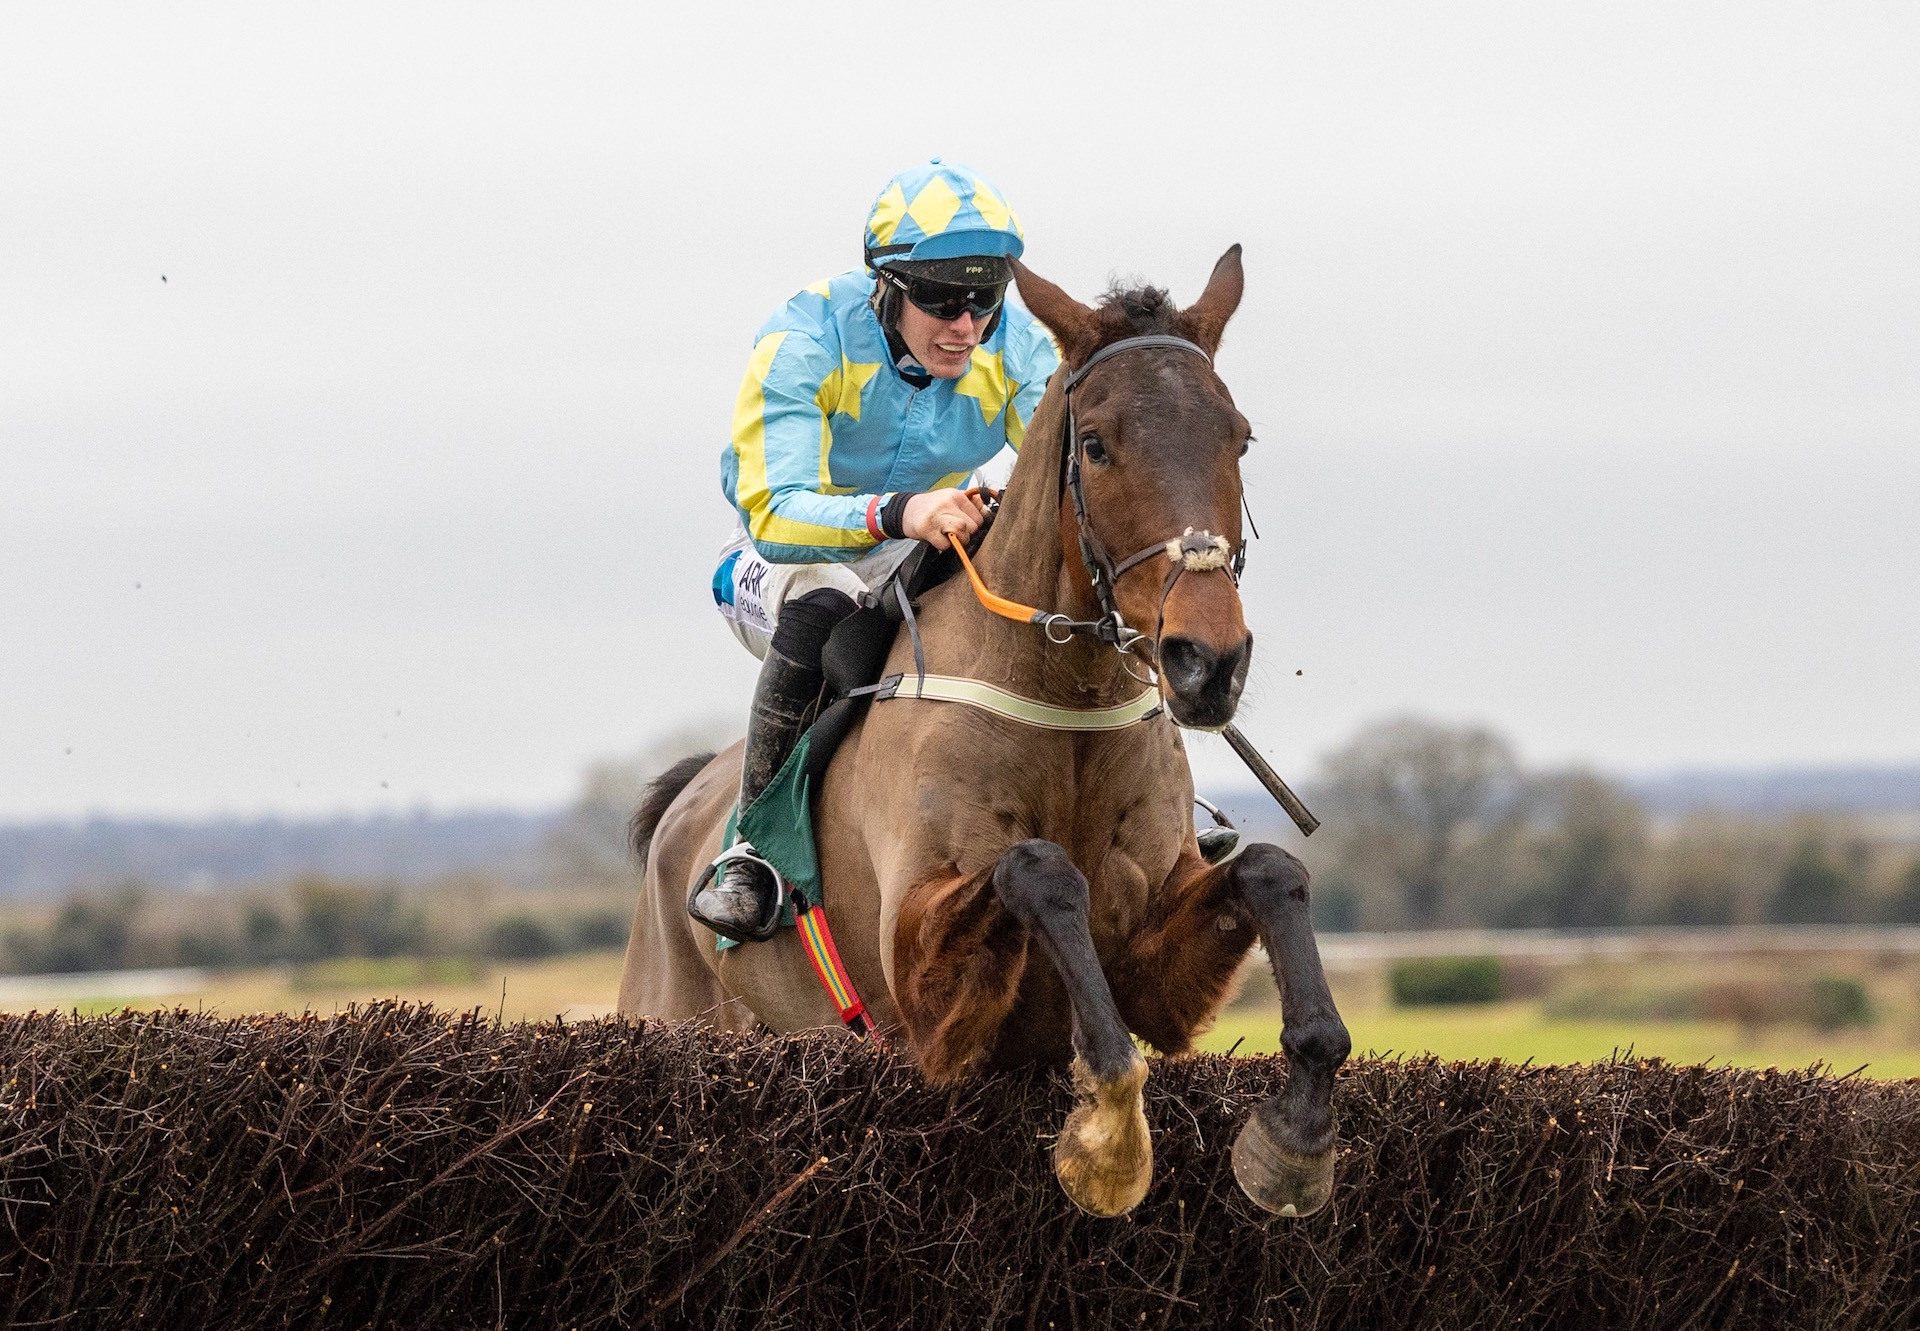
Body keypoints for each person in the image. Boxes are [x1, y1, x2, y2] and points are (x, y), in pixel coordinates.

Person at [692, 159, 1060, 942]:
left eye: (984, 300)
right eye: (940, 300)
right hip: (778, 555)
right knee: (828, 606)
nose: (966, 326)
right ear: (886, 287)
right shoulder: (802, 338)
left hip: (913, 537)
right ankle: (754, 852)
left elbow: (1061, 483)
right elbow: (777, 511)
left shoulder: (1019, 348)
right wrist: (903, 510)